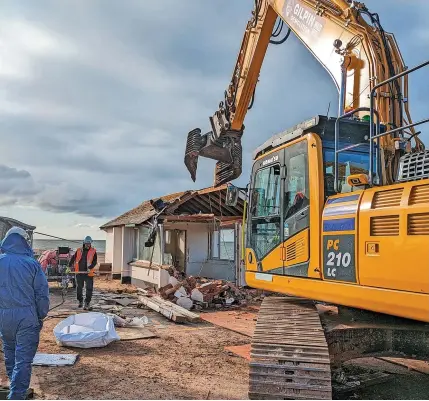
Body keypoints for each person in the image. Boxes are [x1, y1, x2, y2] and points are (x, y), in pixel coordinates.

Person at [0, 227, 49, 400]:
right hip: (26, 318)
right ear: (24, 241)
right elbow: (41, 294)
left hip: (4, 319)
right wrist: (41, 315)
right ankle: (17, 396)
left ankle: (15, 390)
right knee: (23, 360)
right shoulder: (31, 264)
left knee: (10, 354)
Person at [69, 236, 97, 310]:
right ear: (84, 243)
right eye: (87, 243)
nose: (88, 245)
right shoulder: (79, 250)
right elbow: (73, 258)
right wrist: (69, 266)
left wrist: (90, 267)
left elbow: (95, 261)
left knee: (89, 288)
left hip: (89, 273)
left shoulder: (93, 251)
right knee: (79, 288)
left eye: (89, 243)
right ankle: (80, 301)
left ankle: (87, 302)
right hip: (79, 273)